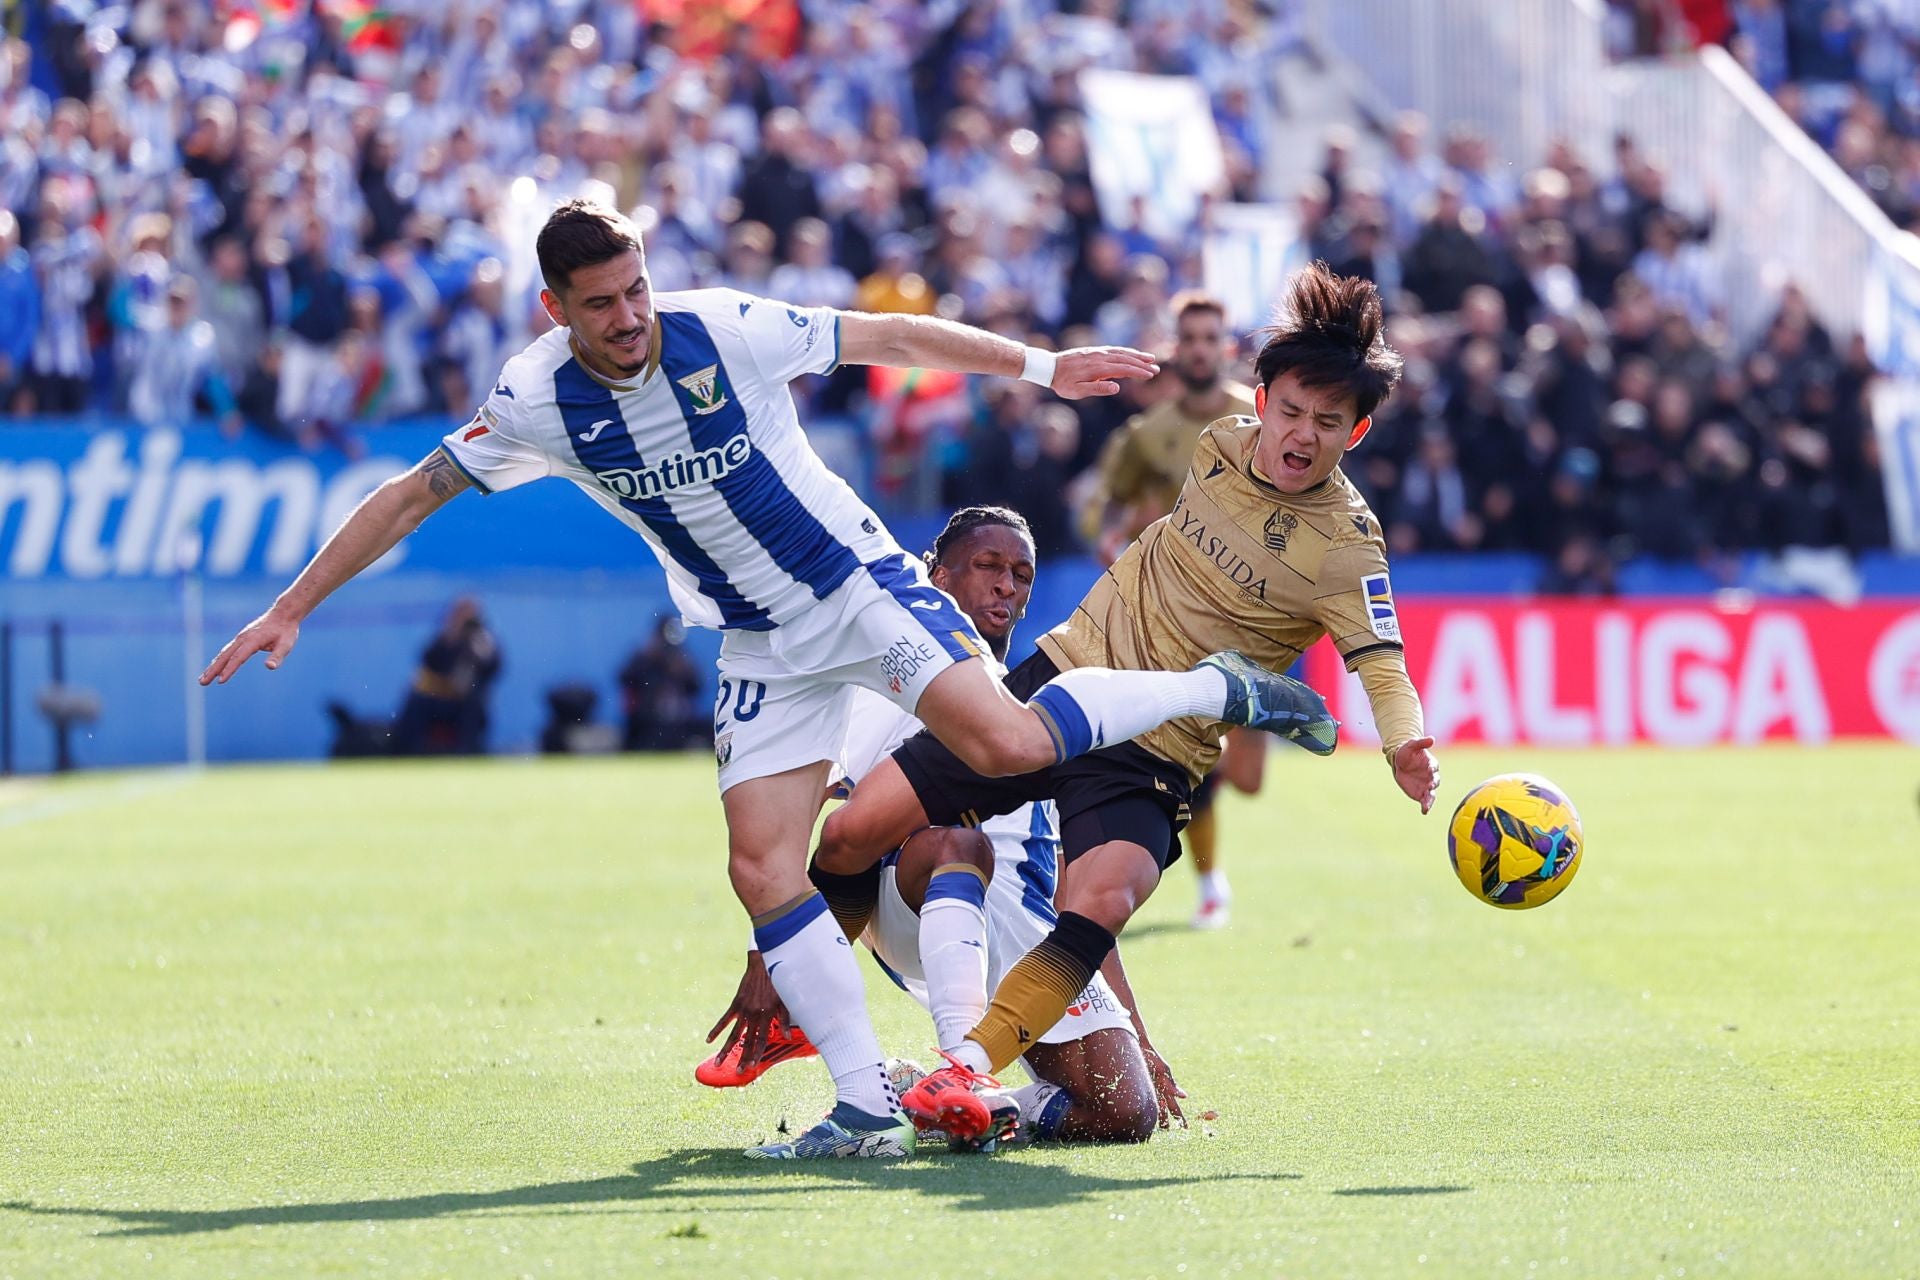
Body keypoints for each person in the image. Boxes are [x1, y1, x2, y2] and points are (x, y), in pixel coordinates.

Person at [199, 200, 1337, 1161]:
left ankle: (1215, 691)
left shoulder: (722, 328)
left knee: (1007, 749)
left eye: (636, 289)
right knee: (760, 865)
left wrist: (1040, 366)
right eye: (601, 303)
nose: (630, 316)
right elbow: (409, 492)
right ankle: (859, 1101)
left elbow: (890, 337)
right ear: (557, 310)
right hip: (758, 640)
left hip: (856, 586)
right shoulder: (536, 400)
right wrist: (292, 606)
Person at [773, 263, 1442, 1143]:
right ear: (1261, 398)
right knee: (857, 831)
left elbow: (1381, 661)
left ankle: (962, 1071)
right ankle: (791, 1014)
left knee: (1106, 895)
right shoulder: (1216, 446)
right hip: (1065, 678)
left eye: (1326, 424)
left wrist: (1407, 742)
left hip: (1159, 750)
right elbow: (1140, 524)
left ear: (1354, 432)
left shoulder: (1349, 548)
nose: (1301, 436)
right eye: (1289, 411)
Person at [699, 507, 1169, 1147]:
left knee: (1122, 1113)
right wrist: (770, 958)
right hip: (913, 897)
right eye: (988, 566)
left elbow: (1082, 892)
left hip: (1022, 925)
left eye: (1021, 574)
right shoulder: (900, 680)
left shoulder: (1040, 704)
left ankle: (940, 1095)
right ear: (937, 576)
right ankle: (960, 1072)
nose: (1007, 585)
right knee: (958, 842)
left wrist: (1138, 1034)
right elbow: (814, 818)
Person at [1081, 290, 1263, 930]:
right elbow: (1103, 499)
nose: (1198, 350)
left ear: (1227, 347)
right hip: (1172, 619)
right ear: (1175, 349)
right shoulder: (1147, 435)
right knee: (1183, 756)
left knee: (1247, 779)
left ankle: (1203, 873)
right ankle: (1208, 883)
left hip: (1253, 619)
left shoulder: (1261, 424)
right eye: (1188, 339)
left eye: (1210, 338)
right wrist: (1108, 538)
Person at [389, 598, 502, 756]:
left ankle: (467, 752)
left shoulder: (483, 638)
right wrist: (449, 638)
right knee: (415, 701)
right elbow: (428, 660)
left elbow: (493, 668)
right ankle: (410, 750)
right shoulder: (447, 636)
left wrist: (479, 647)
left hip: (468, 700)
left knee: (473, 707)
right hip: (444, 697)